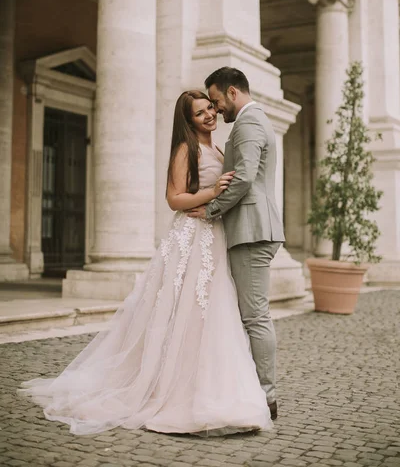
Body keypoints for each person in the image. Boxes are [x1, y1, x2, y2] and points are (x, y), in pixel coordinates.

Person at [18, 90, 273, 436]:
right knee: (186, 311)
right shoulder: (186, 149)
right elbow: (174, 198)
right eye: (200, 113)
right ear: (189, 121)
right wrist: (212, 194)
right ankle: (170, 388)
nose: (210, 115)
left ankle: (213, 387)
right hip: (192, 236)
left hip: (215, 237)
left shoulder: (217, 148)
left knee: (211, 313)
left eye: (210, 108)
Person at [187, 68, 285, 421]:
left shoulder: (247, 123)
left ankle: (267, 397)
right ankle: (253, 390)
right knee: (250, 316)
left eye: (215, 101)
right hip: (251, 229)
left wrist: (211, 209)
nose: (216, 110)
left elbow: (243, 177)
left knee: (256, 317)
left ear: (231, 93)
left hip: (252, 230)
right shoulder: (252, 120)